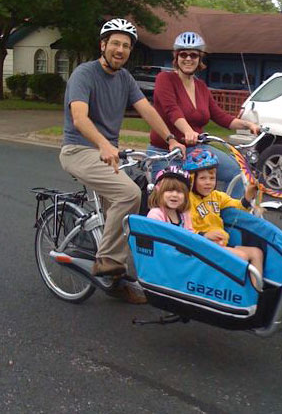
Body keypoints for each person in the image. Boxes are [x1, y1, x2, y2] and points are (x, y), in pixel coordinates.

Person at [59, 18, 185, 303]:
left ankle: (117, 279)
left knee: (132, 203)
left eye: (126, 46)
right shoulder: (84, 74)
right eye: (115, 43)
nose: (120, 49)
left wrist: (170, 139)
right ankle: (107, 262)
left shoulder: (125, 78)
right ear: (103, 45)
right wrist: (103, 143)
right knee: (127, 193)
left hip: (108, 155)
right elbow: (80, 117)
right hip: (79, 150)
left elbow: (147, 110)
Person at [147, 31, 260, 197]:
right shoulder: (165, 79)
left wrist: (248, 125)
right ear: (176, 57)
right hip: (166, 153)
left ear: (200, 59)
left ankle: (231, 218)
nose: (188, 59)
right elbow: (172, 110)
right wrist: (187, 131)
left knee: (237, 172)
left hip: (197, 150)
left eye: (193, 55)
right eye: (183, 54)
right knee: (175, 199)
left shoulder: (201, 87)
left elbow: (220, 116)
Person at [183, 148, 263, 286]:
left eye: (212, 178)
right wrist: (205, 235)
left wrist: (249, 195)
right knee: (241, 257)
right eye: (202, 178)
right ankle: (235, 296)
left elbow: (238, 206)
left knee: (256, 253)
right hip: (201, 247)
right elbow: (185, 230)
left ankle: (256, 292)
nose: (208, 182)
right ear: (191, 179)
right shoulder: (187, 201)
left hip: (220, 244)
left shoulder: (217, 196)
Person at [147, 166, 193, 231]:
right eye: (169, 190)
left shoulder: (184, 214)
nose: (175, 195)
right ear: (158, 191)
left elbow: (190, 236)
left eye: (180, 191)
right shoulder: (155, 214)